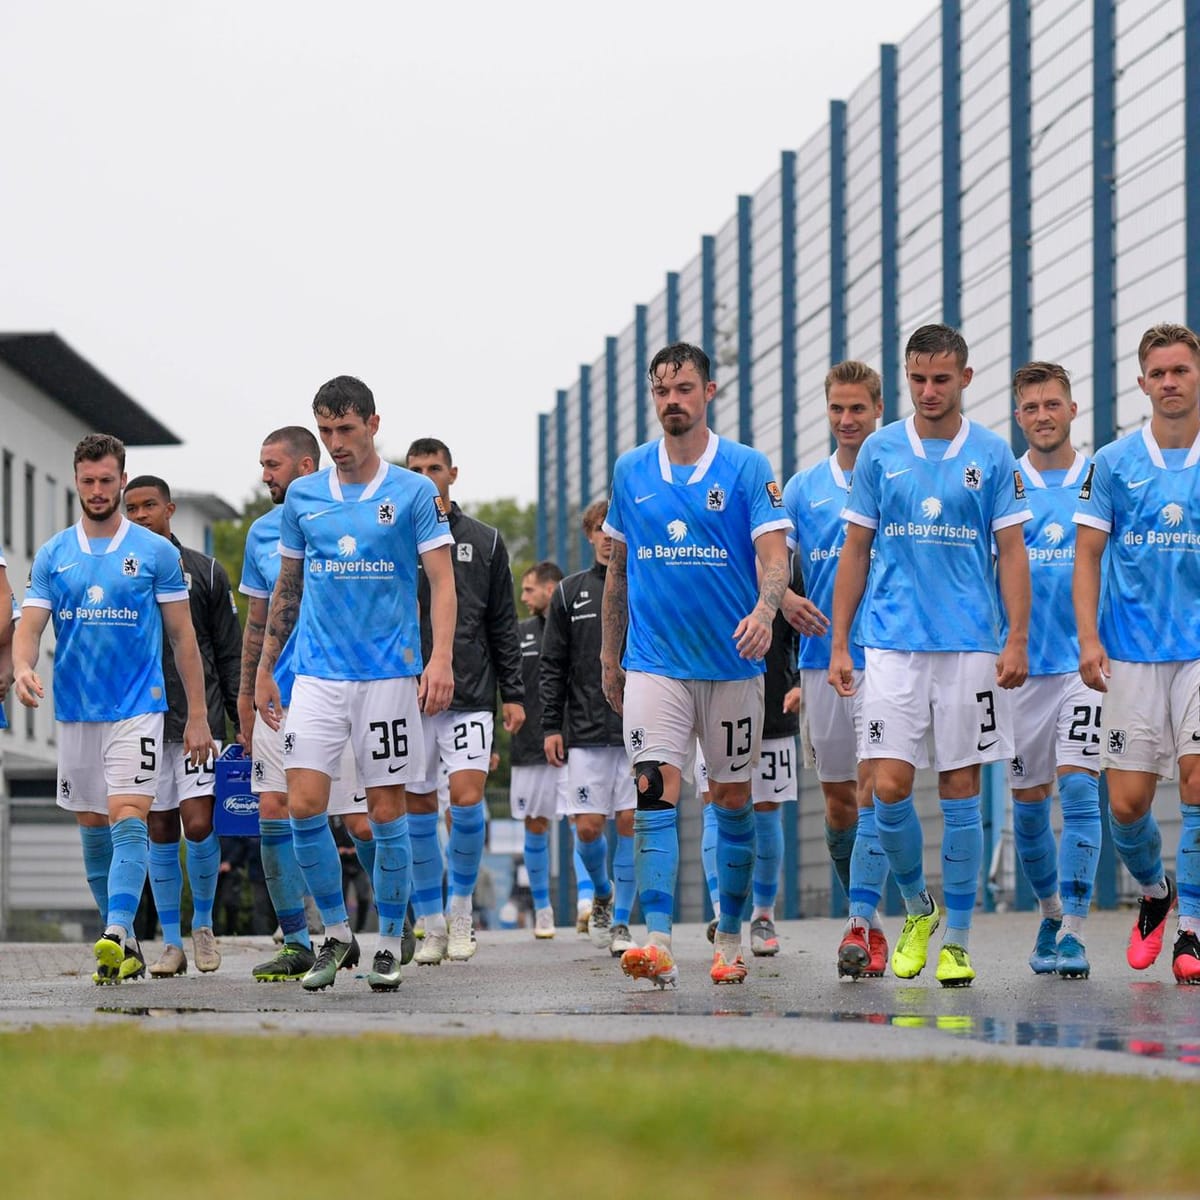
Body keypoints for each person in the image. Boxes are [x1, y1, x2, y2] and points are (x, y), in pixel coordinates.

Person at [830, 324, 1032, 988]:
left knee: (960, 786)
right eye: (917, 378)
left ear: (966, 379)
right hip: (890, 645)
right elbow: (855, 551)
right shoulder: (881, 452)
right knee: (885, 788)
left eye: (941, 379)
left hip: (970, 644)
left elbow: (1011, 555)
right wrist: (840, 639)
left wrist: (1016, 637)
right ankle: (919, 906)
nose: (928, 390)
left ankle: (961, 942)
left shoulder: (995, 455)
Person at [601, 341, 795, 988]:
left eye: (684, 388)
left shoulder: (745, 468)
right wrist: (610, 654)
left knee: (733, 800)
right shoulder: (631, 472)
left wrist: (766, 613)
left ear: (709, 391)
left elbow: (775, 556)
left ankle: (731, 938)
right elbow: (618, 571)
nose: (672, 402)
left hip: (733, 665)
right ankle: (657, 941)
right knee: (652, 793)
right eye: (662, 391)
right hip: (655, 662)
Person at [255, 377, 456, 992]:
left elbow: (442, 583)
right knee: (304, 807)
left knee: (386, 812)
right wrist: (266, 667)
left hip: (389, 675)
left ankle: (392, 939)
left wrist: (440, 658)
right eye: (326, 432)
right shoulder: (303, 498)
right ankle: (337, 935)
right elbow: (286, 590)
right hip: (315, 675)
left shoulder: (413, 492)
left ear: (373, 423)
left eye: (346, 429)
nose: (336, 442)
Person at [13, 433, 215, 983]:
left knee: (130, 815)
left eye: (107, 480)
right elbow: (29, 628)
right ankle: (123, 943)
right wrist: (25, 667)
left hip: (139, 705)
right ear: (77, 480)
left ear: (122, 480)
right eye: (88, 481)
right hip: (77, 709)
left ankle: (116, 929)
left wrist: (197, 715)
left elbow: (183, 640)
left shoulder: (155, 553)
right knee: (92, 825)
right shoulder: (55, 553)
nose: (98, 490)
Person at [1073, 322, 1200, 985]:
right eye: (1161, 373)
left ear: (1197, 374)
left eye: (1182, 369)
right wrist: (1089, 638)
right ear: (1143, 382)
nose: (1171, 382)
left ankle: (1193, 930)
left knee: (1199, 780)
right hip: (1131, 653)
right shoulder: (1115, 462)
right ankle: (1156, 893)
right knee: (1125, 804)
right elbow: (1088, 555)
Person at [782, 360, 891, 979]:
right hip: (822, 661)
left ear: (878, 409)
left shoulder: (896, 474)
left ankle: (859, 920)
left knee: (876, 788)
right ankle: (873, 919)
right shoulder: (803, 489)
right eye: (837, 409)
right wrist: (787, 598)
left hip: (887, 655)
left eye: (858, 408)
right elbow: (770, 558)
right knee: (839, 800)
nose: (847, 420)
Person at [404, 437, 525, 965]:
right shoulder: (392, 534)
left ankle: (460, 912)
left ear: (453, 473)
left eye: (434, 468)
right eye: (416, 469)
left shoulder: (487, 540)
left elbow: (503, 621)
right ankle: (429, 921)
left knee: (468, 802)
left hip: (471, 690)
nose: (427, 476)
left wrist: (513, 694)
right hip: (405, 692)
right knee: (417, 806)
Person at [123, 475, 242, 976]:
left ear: (169, 509)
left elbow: (228, 649)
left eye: (150, 505)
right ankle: (170, 941)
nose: (141, 515)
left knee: (199, 822)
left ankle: (203, 926)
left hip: (200, 717)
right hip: (142, 718)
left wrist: (240, 717)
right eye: (132, 508)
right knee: (160, 828)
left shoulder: (205, 571)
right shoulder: (119, 569)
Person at [1007, 363, 1102, 979]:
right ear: (1019, 416)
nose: (1043, 415)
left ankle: (1073, 931)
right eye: (1031, 407)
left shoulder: (1099, 478)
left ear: (1072, 411)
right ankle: (1048, 910)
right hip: (1019, 668)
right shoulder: (1001, 480)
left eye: (1053, 405)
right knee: (1027, 805)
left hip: (1084, 665)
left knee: (1078, 787)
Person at [237, 426, 325, 982]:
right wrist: (246, 695)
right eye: (262, 465)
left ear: (306, 466)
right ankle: (296, 940)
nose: (265, 475)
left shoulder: (340, 521)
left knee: (361, 823)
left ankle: (395, 923)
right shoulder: (261, 533)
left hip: (338, 688)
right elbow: (255, 621)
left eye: (273, 464)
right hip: (276, 698)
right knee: (273, 810)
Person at [542, 500, 639, 954]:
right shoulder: (569, 592)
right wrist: (550, 726)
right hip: (582, 730)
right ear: (588, 536)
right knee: (586, 828)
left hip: (637, 728)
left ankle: (621, 921)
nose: (605, 536)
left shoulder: (642, 583)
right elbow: (552, 665)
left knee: (631, 823)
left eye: (611, 528)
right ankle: (601, 893)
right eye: (597, 529)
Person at [510, 559, 565, 938]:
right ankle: (542, 909)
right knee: (535, 824)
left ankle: (589, 904)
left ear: (549, 588)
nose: (523, 596)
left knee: (586, 821)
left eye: (529, 589)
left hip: (574, 741)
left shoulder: (575, 625)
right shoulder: (520, 632)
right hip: (529, 746)